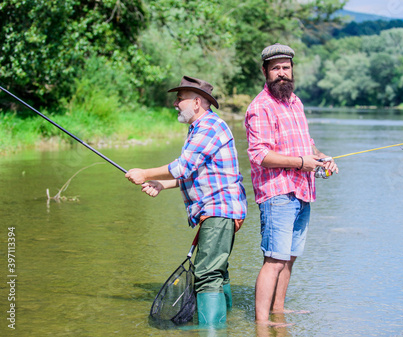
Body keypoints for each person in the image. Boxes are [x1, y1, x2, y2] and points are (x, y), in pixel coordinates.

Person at [126, 76, 247, 325]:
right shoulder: (201, 127)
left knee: (207, 274)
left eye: (179, 99)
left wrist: (145, 173)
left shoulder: (209, 127)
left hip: (218, 209)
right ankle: (226, 325)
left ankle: (211, 330)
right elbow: (195, 173)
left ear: (196, 101)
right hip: (218, 210)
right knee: (217, 272)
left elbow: (183, 166)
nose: (175, 103)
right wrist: (162, 184)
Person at [244, 43, 338, 324]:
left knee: (290, 258)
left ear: (292, 70)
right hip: (277, 193)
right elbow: (260, 155)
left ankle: (278, 312)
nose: (282, 73)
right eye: (276, 68)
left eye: (286, 67)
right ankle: (262, 322)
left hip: (303, 191)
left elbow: (306, 144)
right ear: (265, 71)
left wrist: (322, 158)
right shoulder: (260, 107)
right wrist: (300, 162)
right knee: (274, 259)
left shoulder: (295, 101)